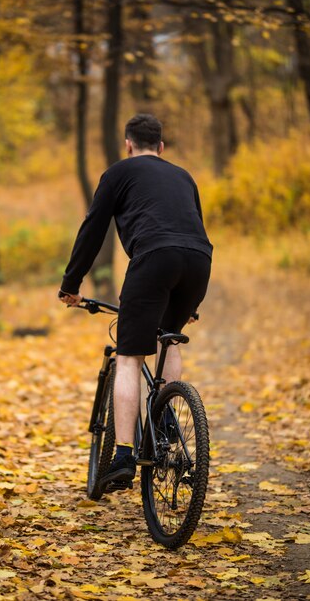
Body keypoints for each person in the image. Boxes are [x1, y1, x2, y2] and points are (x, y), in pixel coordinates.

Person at [59, 113, 212, 493]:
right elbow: (190, 227)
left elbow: (92, 230)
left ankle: (124, 455)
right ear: (161, 147)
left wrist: (71, 284)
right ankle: (166, 420)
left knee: (129, 357)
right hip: (199, 260)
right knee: (169, 337)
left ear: (129, 145)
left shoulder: (118, 173)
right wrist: (188, 302)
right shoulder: (184, 176)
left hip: (155, 258)